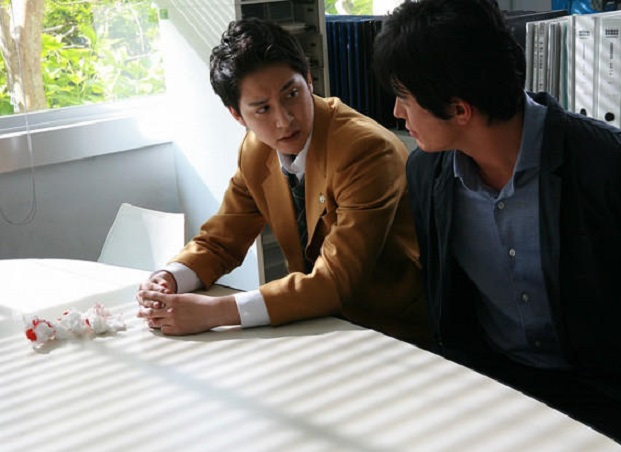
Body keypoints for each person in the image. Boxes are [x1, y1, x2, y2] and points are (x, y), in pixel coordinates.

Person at [373, 0, 621, 450]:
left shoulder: (617, 167)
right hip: (494, 399)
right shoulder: (426, 174)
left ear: (459, 109)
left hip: (614, 408)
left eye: (405, 97)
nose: (396, 111)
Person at [135, 18, 431, 347]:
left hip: (394, 333)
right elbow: (221, 241)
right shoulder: (255, 149)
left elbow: (336, 279)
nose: (284, 119)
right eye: (262, 109)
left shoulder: (364, 149)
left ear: (308, 79)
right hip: (316, 325)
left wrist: (215, 312)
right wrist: (170, 278)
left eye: (291, 94)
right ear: (237, 115)